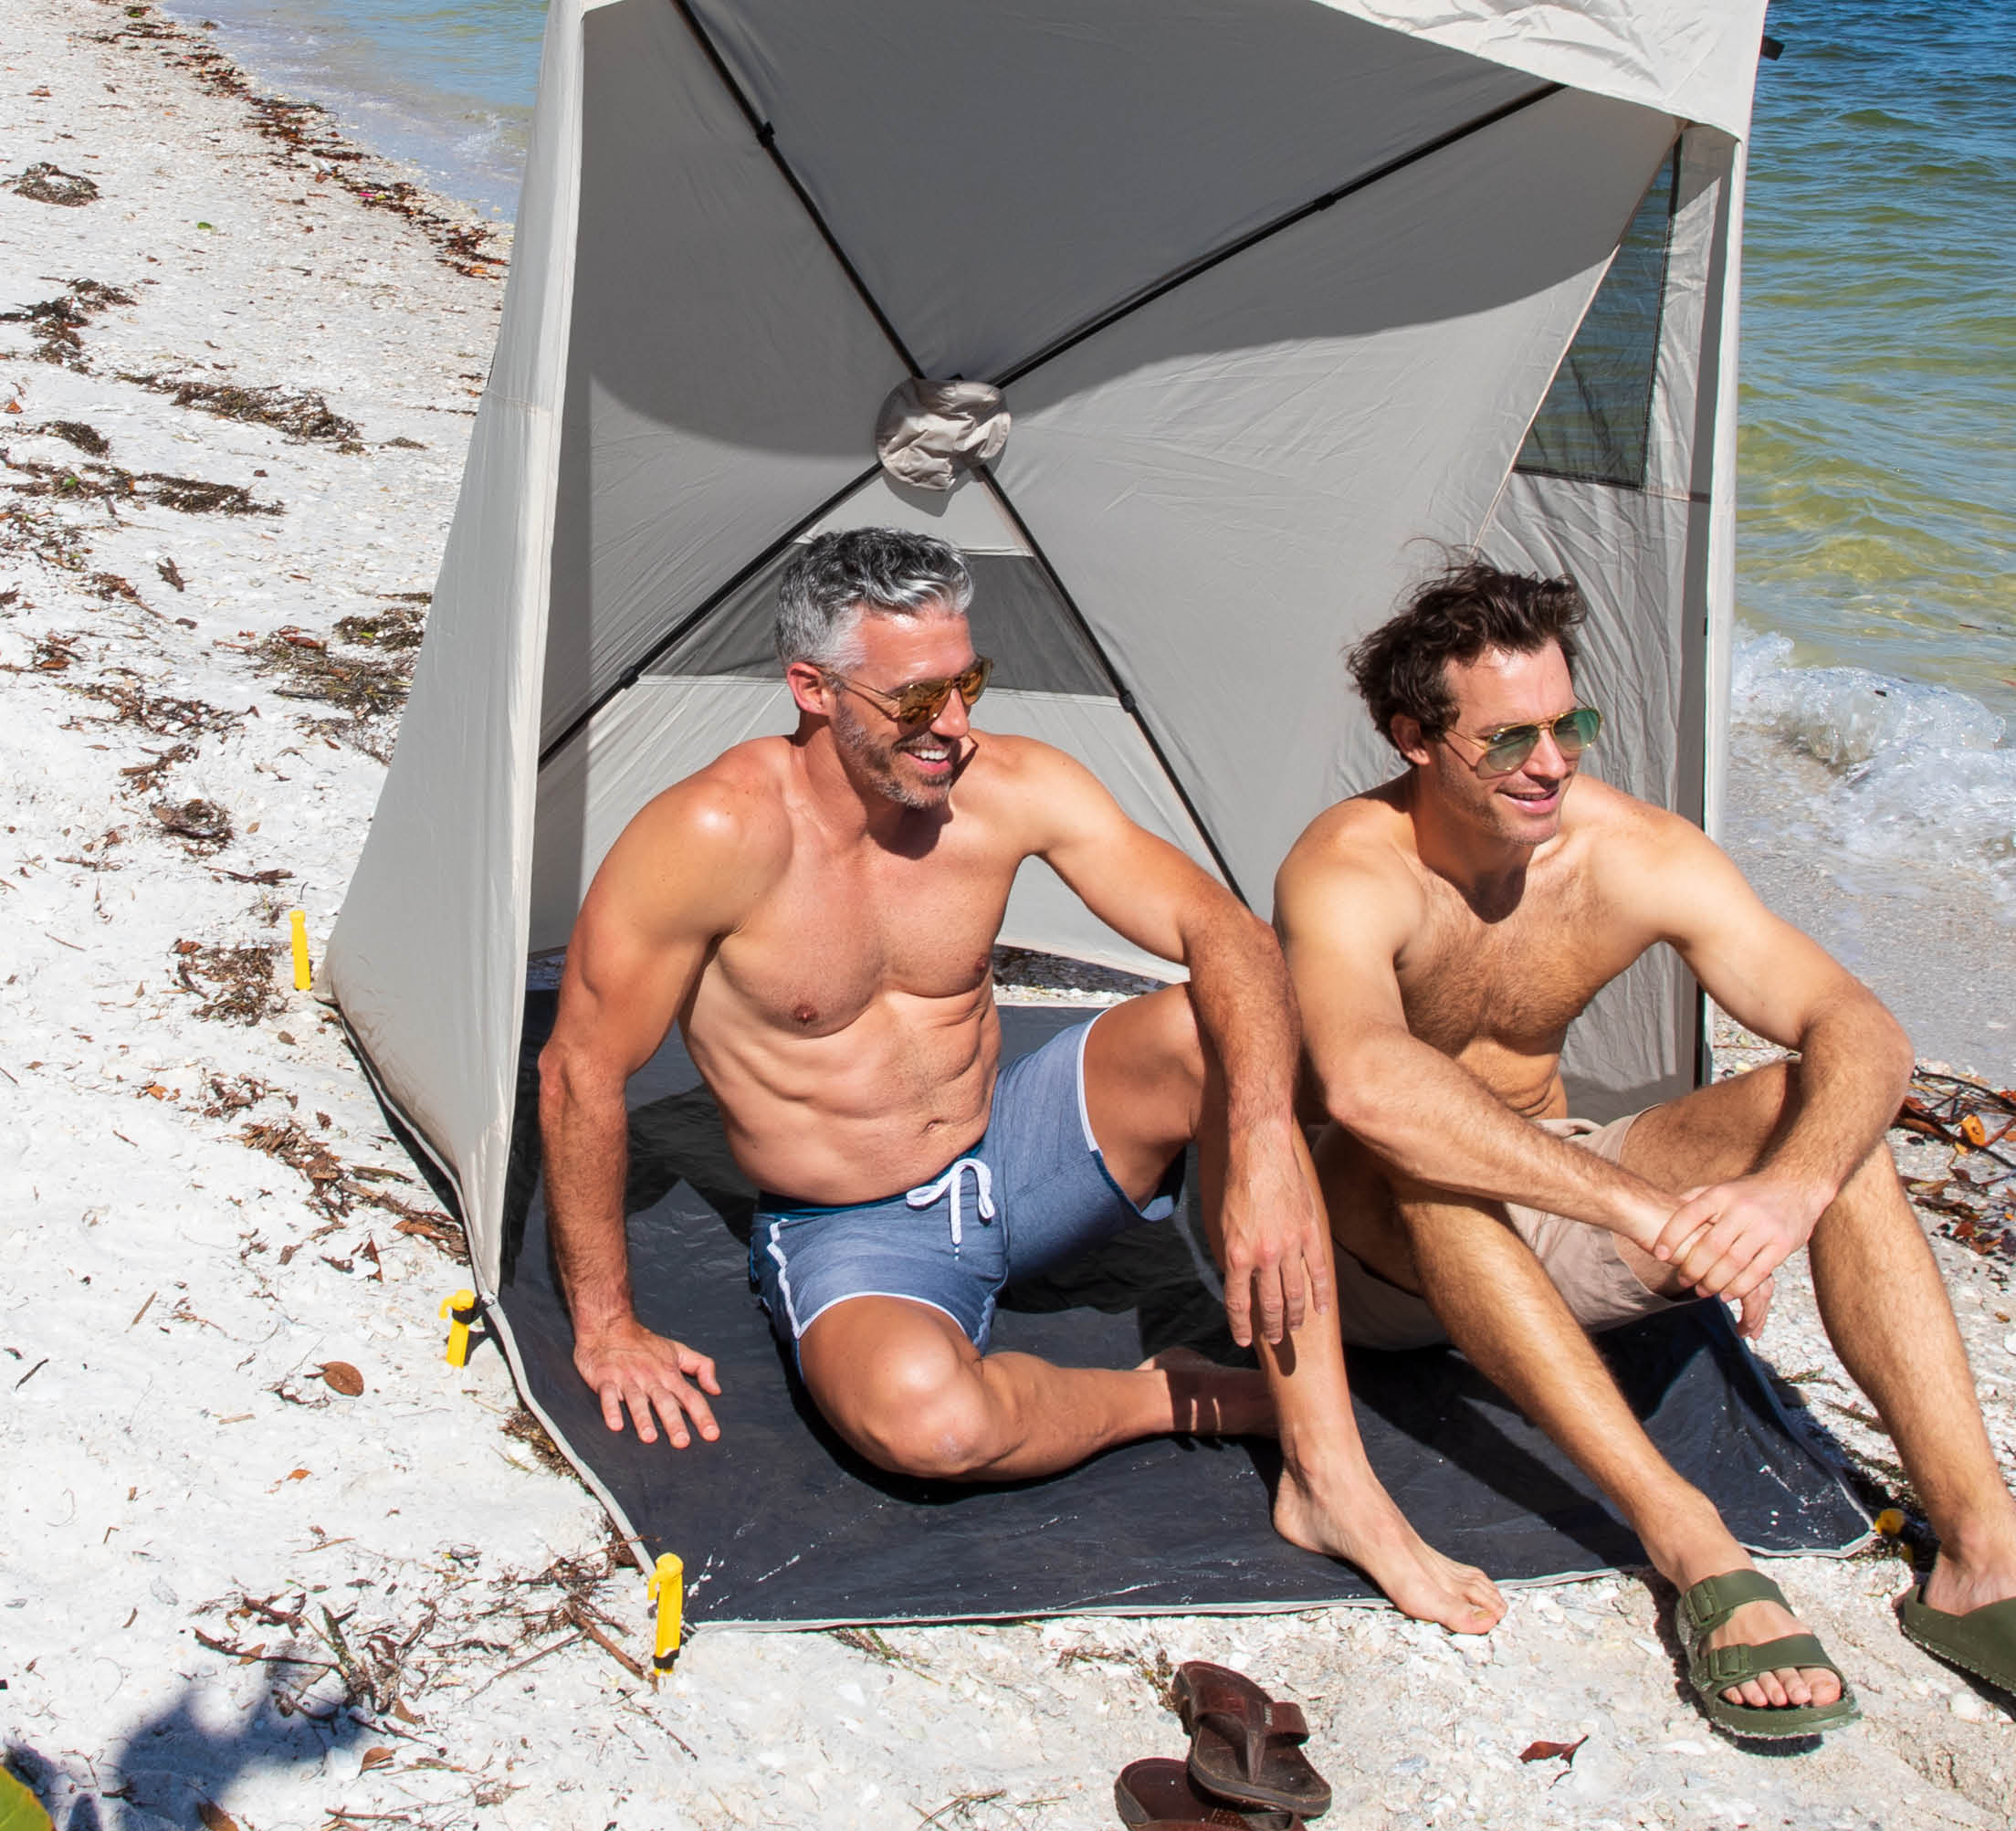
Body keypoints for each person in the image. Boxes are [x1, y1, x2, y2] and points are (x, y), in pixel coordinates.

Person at [1276, 558, 2016, 1747]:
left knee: (1831, 1121)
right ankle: (1690, 1542)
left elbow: (1857, 1026)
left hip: (1557, 1197)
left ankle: (1984, 1556)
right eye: (1509, 741)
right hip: (1375, 1253)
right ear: (1414, 737)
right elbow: (1368, 1085)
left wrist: (1789, 1190)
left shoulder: (1630, 852)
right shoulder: (1351, 865)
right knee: (1435, 1150)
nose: (1551, 764)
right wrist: (1645, 1212)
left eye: (1572, 726)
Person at [536, 527, 1501, 1633]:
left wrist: (1270, 1139)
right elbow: (579, 1069)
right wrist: (606, 1322)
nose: (951, 726)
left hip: (1016, 1146)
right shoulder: (712, 835)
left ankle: (1331, 1478)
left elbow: (1217, 925)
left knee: (1231, 1030)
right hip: (854, 1225)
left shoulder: (1008, 785)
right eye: (913, 698)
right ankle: (1185, 1393)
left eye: (968, 683)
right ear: (810, 687)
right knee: (927, 1426)